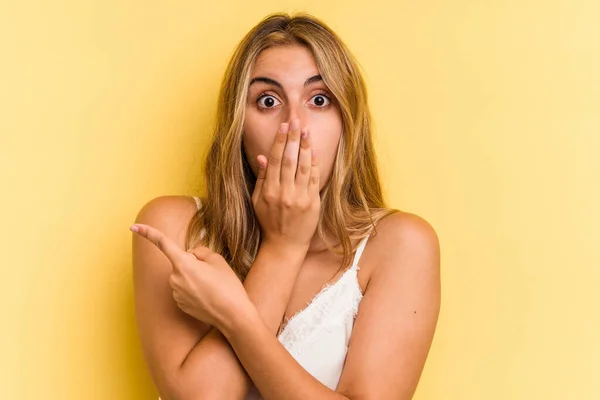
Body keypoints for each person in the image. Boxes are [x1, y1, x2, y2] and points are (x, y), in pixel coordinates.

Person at [130, 12, 441, 400]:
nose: (295, 126)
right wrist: (282, 248)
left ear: (348, 120)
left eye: (319, 100)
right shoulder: (175, 226)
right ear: (237, 126)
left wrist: (235, 317)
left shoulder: (401, 246)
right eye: (268, 100)